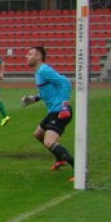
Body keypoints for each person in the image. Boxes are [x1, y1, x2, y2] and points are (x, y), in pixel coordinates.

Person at [22, 46, 75, 174]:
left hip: (60, 111)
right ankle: (60, 159)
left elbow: (65, 83)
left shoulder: (43, 70)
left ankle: (78, 167)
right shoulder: (39, 72)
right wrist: (34, 98)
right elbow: (47, 91)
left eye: (30, 54)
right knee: (38, 134)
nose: (26, 57)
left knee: (49, 141)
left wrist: (64, 106)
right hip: (54, 111)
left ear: (38, 57)